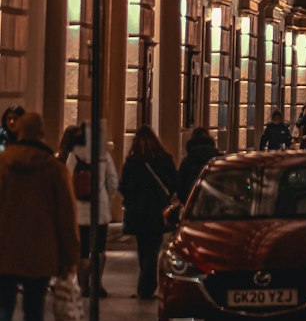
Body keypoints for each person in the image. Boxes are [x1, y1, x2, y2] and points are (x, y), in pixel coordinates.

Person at [0, 112, 79, 321]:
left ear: (19, 132)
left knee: (3, 311)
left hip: (4, 251)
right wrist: (70, 256)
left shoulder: (3, 164)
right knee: (34, 312)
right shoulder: (54, 169)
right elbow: (66, 217)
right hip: (40, 252)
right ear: (42, 134)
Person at [118, 126, 177, 300]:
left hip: (137, 212)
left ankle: (145, 284)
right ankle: (147, 285)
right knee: (152, 248)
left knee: (143, 248)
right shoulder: (165, 160)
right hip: (157, 213)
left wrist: (131, 198)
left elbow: (123, 186)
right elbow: (174, 182)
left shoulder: (132, 162)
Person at [64, 122, 119, 298]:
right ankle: (97, 283)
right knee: (99, 248)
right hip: (99, 211)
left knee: (83, 250)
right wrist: (105, 198)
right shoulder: (103, 157)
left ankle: (82, 285)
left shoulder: (73, 155)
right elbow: (113, 181)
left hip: (79, 212)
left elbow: (67, 180)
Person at [176, 127, 218, 205]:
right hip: (215, 205)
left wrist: (187, 202)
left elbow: (180, 187)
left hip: (193, 205)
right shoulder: (217, 160)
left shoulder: (187, 161)